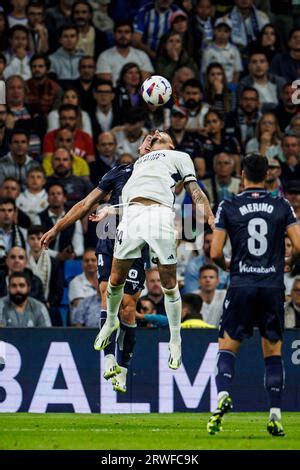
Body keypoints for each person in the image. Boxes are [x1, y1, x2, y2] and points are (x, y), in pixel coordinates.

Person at [40, 130, 215, 372]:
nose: (152, 137)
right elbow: (123, 202)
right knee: (114, 280)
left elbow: (194, 190)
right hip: (131, 219)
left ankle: (175, 341)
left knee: (169, 284)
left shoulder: (178, 157)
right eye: (149, 137)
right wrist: (101, 214)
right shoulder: (135, 166)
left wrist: (210, 216)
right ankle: (110, 322)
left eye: (159, 136)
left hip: (160, 217)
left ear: (170, 145)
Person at [207, 153, 300, 437]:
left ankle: (223, 395)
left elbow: (213, 252)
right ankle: (275, 415)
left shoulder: (230, 204)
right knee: (272, 352)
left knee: (227, 345)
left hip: (241, 284)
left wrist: (229, 266)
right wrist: (289, 263)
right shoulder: (281, 204)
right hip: (272, 285)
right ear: (267, 176)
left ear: (243, 174)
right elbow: (298, 245)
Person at [35, 182, 84, 260]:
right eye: (52, 194)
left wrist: (73, 254)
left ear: (64, 198)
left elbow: (79, 247)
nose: (55, 196)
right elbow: (37, 244)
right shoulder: (39, 218)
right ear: (47, 198)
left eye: (59, 193)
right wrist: (57, 255)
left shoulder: (73, 218)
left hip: (68, 260)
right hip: (46, 258)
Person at [96, 20, 153, 86]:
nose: (123, 35)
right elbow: (106, 85)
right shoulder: (104, 56)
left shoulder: (142, 56)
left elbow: (146, 84)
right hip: (114, 94)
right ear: (114, 35)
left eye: (127, 32)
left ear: (132, 35)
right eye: (119, 32)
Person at [201, 20, 243, 84]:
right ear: (214, 31)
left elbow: (237, 72)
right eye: (219, 30)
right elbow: (204, 73)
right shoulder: (208, 51)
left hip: (229, 85)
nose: (222, 34)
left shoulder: (234, 50)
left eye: (226, 31)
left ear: (230, 33)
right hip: (213, 85)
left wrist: (232, 86)